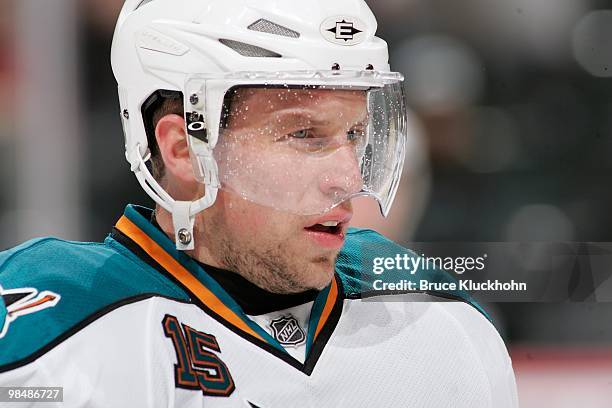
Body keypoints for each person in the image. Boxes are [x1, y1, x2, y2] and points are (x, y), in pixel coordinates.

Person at [0, 0, 518, 406]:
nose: (349, 178)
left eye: (356, 134)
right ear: (184, 151)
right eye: (302, 134)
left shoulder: (438, 321)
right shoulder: (51, 337)